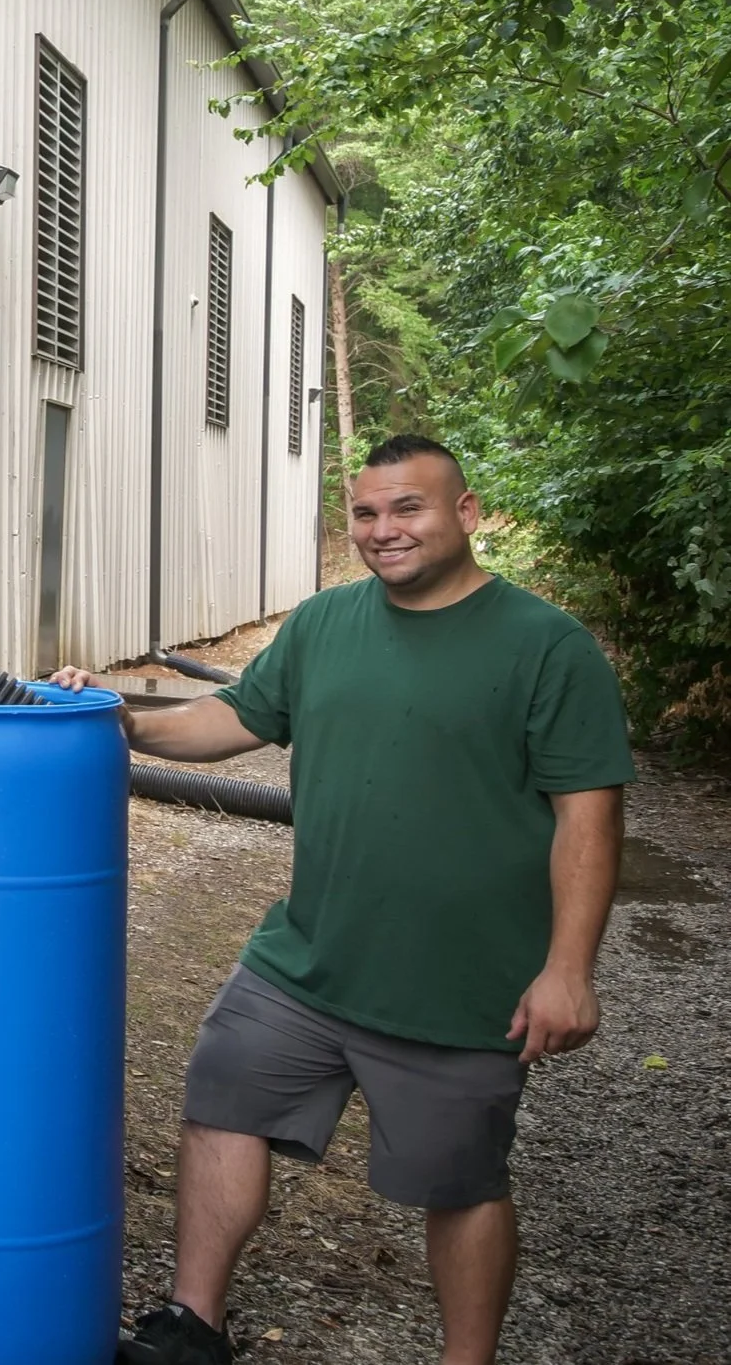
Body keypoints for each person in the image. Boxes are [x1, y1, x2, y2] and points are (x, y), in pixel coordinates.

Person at [52, 435, 633, 1365]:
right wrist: (112, 720)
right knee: (222, 1098)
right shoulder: (325, 624)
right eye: (366, 513)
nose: (383, 529)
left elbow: (588, 819)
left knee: (463, 1182)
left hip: (461, 985)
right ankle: (191, 1329)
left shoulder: (546, 647)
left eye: (409, 508)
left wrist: (569, 968)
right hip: (308, 959)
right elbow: (231, 718)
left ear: (468, 512)